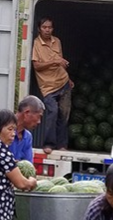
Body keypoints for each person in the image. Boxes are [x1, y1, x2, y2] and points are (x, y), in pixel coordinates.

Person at [32, 17, 73, 154]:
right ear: (39, 29)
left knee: (63, 115)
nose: (47, 30)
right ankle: (49, 144)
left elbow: (61, 63)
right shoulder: (37, 44)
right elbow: (37, 66)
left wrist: (69, 78)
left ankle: (62, 145)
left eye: (49, 27)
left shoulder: (57, 42)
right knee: (53, 112)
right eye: (44, 27)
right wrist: (54, 62)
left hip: (63, 82)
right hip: (48, 87)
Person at [10, 95, 45, 162]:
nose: (39, 122)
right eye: (39, 116)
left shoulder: (27, 137)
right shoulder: (0, 130)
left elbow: (29, 165)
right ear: (27, 113)